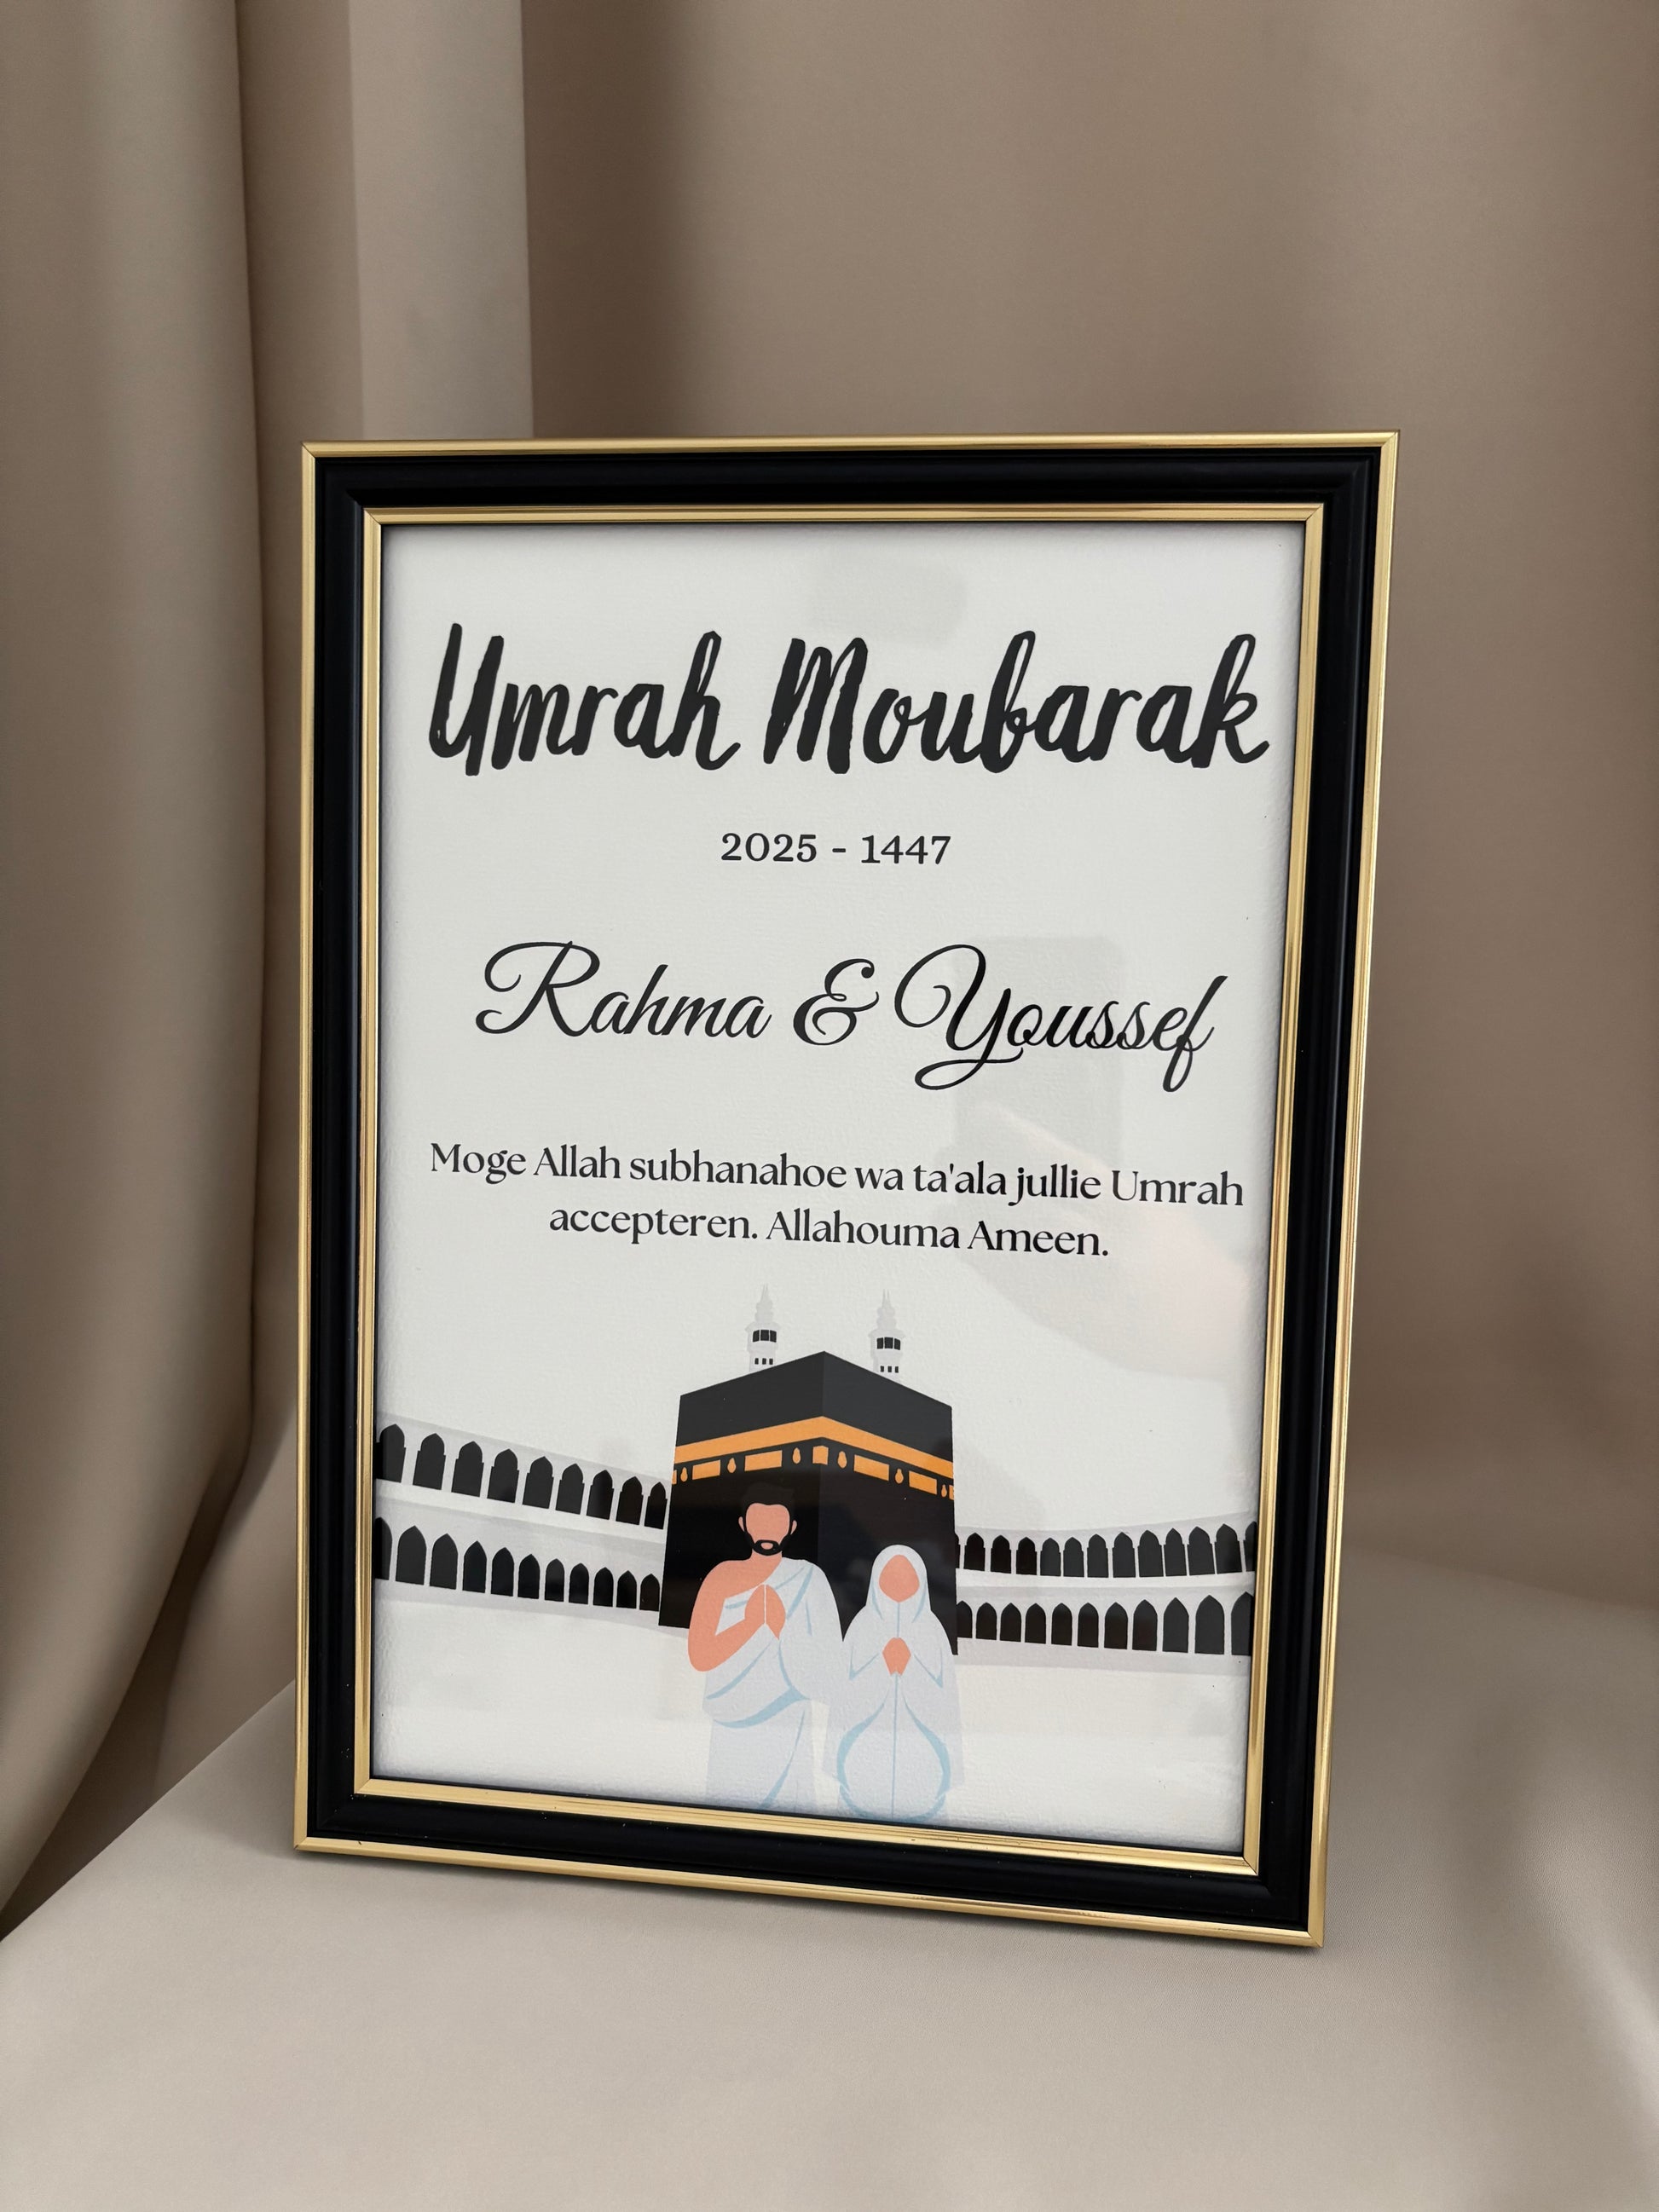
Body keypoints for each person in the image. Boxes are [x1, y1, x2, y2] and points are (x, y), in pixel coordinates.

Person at [686, 1483, 845, 1813]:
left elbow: (831, 1667)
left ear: (792, 1527)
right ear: (743, 1524)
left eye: (777, 1521)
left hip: (787, 1722)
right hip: (729, 1723)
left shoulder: (810, 1578)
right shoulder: (721, 1577)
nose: (768, 1530)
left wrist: (782, 1627)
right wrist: (750, 1624)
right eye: (759, 1520)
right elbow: (700, 1655)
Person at [827, 1545, 962, 1822]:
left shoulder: (932, 1630)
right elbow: (844, 1697)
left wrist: (912, 1670)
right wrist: (881, 1668)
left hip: (922, 1765)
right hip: (863, 1761)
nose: (898, 1583)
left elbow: (946, 1702)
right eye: (890, 1575)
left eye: (906, 1576)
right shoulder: (863, 1626)